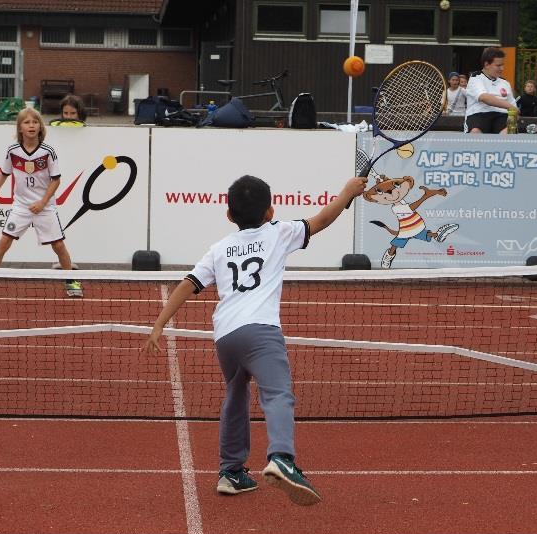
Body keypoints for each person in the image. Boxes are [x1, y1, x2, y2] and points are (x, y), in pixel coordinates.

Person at [143, 174, 368, 506]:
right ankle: (282, 457)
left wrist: (159, 324)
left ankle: (231, 472)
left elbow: (188, 284)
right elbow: (323, 219)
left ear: (229, 216)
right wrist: (348, 193)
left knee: (235, 395)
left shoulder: (219, 249)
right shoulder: (280, 232)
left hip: (225, 335)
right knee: (278, 394)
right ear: (270, 211)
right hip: (261, 331)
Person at [0, 107, 83, 299]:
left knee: (59, 246)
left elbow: (56, 180)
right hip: (21, 207)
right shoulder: (12, 151)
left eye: (35, 122)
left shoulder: (48, 152)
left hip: (44, 207)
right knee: (3, 242)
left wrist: (42, 202)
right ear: (20, 128)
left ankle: (71, 281)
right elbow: (3, 174)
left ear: (40, 127)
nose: (31, 126)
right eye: (27, 122)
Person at [464, 47, 517, 134]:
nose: (502, 68)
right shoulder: (475, 78)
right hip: (479, 114)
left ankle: (504, 147)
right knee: (475, 132)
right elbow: (485, 98)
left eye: (503, 65)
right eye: (498, 65)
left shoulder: (505, 83)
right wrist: (510, 107)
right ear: (486, 64)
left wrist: (513, 121)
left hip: (502, 116)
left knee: (509, 131)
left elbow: (514, 110)